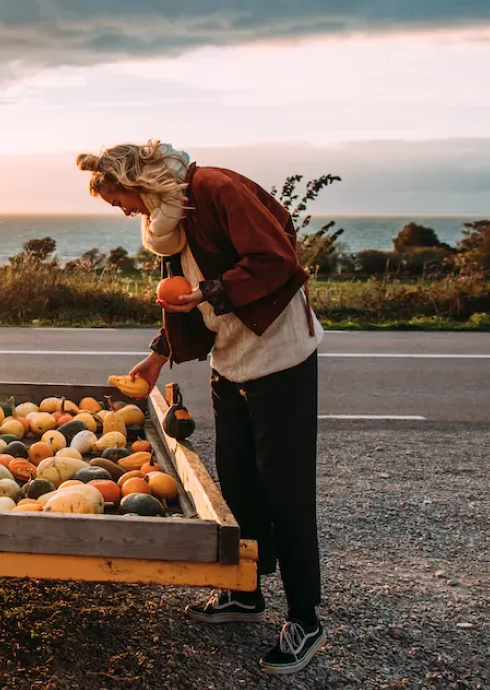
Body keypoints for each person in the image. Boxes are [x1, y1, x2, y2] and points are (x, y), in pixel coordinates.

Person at [77, 140, 326, 676]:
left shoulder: (213, 188)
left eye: (120, 199)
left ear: (137, 180)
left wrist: (210, 291)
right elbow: (186, 295)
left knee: (284, 487)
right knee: (237, 483)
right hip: (232, 359)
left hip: (279, 356)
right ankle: (247, 592)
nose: (124, 212)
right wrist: (155, 358)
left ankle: (305, 617)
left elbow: (276, 259)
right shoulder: (170, 218)